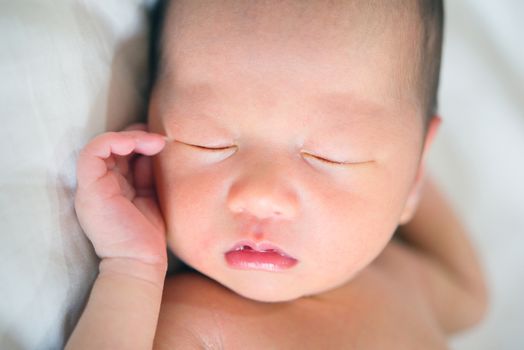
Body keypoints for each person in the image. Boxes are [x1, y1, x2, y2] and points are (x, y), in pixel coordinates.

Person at [66, 0, 488, 348]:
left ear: (415, 173)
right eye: (209, 141)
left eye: (334, 154)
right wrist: (132, 267)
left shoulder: (404, 284)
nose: (261, 195)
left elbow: (472, 298)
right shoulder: (186, 322)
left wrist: (407, 170)